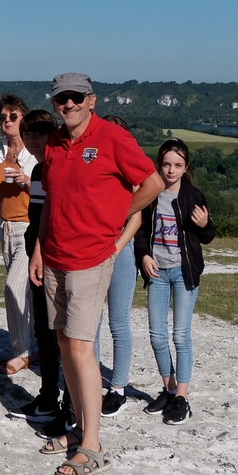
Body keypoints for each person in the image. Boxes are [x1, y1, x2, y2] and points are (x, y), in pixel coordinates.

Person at [29, 73, 163, 475]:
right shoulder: (54, 142)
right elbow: (52, 201)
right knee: (64, 342)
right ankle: (77, 427)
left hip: (90, 257)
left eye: (76, 97)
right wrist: (39, 250)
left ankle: (92, 445)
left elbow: (153, 182)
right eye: (61, 99)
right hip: (55, 256)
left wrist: (116, 215)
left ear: (91, 100)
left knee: (81, 347)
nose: (68, 104)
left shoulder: (112, 137)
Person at [134, 138, 215, 425]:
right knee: (157, 335)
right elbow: (140, 230)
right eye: (167, 164)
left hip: (183, 272)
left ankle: (182, 396)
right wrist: (143, 256)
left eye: (178, 165)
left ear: (186, 167)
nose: (171, 170)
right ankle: (169, 390)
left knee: (181, 335)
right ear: (159, 165)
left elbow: (208, 236)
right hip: (157, 272)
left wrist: (205, 224)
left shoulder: (193, 196)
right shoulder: (151, 193)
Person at [9, 109, 63, 423]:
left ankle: (65, 402)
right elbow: (38, 216)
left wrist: (39, 254)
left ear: (52, 134)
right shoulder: (41, 169)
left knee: (59, 332)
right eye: (27, 133)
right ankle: (47, 396)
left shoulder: (57, 167)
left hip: (51, 257)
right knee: (42, 329)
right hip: (36, 252)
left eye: (38, 133)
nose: (31, 139)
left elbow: (52, 219)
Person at [94, 114, 144, 418]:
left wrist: (115, 248)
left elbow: (136, 218)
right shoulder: (96, 167)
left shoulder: (131, 173)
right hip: (94, 249)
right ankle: (91, 382)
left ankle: (118, 388)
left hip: (120, 251)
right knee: (91, 321)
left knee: (119, 322)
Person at [0, 93, 37, 374]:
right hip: (5, 226)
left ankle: (20, 351)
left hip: (29, 227)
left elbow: (46, 188)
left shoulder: (33, 150)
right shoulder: (0, 149)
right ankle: (36, 346)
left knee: (13, 286)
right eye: (3, 117)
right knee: (26, 292)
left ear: (22, 119)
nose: (7, 121)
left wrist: (26, 180)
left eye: (13, 116)